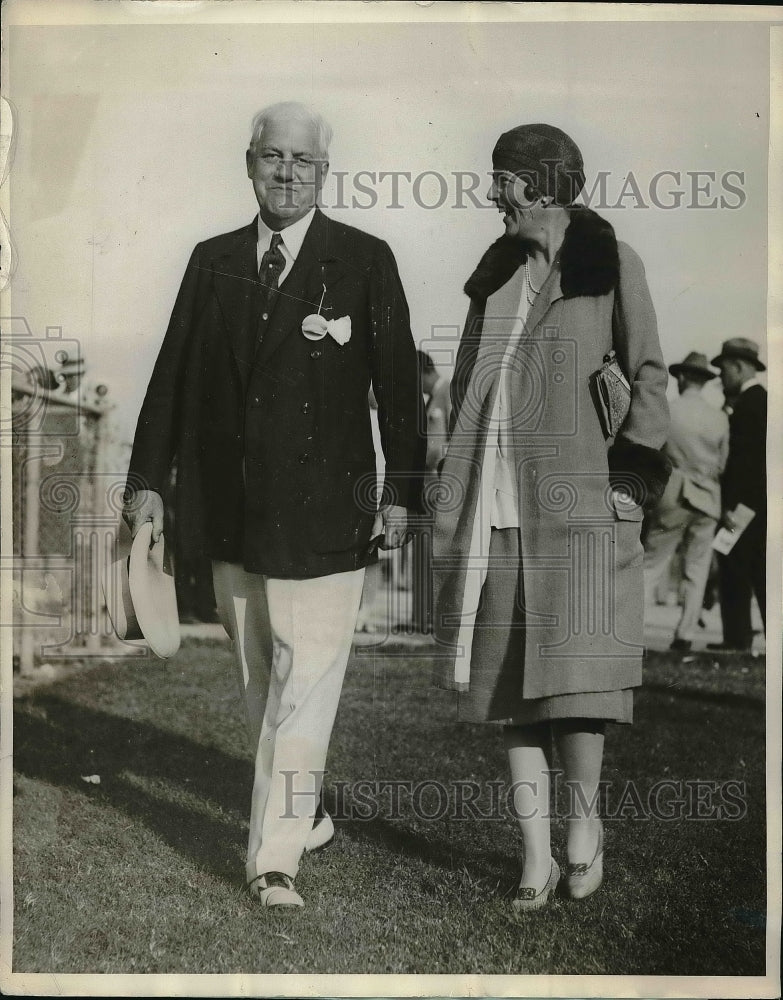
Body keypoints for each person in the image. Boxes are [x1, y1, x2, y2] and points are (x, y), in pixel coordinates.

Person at [123, 102, 424, 909]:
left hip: (328, 515)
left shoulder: (364, 260)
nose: (286, 172)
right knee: (263, 680)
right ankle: (305, 808)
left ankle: (273, 859)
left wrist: (401, 494)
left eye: (303, 160)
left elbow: (398, 389)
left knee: (307, 683)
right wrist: (146, 482)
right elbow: (171, 379)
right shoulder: (212, 260)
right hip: (232, 516)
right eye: (271, 156)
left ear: (325, 172)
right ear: (247, 162)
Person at [433, 124, 670, 909]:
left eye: (498, 179)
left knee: (577, 688)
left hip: (583, 509)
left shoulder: (609, 262)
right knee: (511, 694)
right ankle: (534, 857)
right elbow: (467, 380)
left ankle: (582, 828)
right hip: (497, 512)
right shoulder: (495, 276)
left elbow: (647, 374)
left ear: (537, 182)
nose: (489, 194)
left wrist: (630, 479)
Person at [642, 352, 729, 652]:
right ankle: (685, 632)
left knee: (652, 562)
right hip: (708, 499)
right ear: (704, 382)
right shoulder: (719, 417)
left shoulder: (669, 410)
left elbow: (654, 452)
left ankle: (631, 629)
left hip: (673, 495)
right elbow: (722, 464)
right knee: (697, 569)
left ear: (681, 378)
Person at [707, 337, 767, 652]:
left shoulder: (747, 407)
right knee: (760, 570)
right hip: (760, 507)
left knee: (731, 563)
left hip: (741, 508)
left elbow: (742, 465)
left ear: (740, 367)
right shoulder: (763, 401)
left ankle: (736, 637)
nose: (720, 376)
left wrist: (730, 507)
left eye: (725, 369)